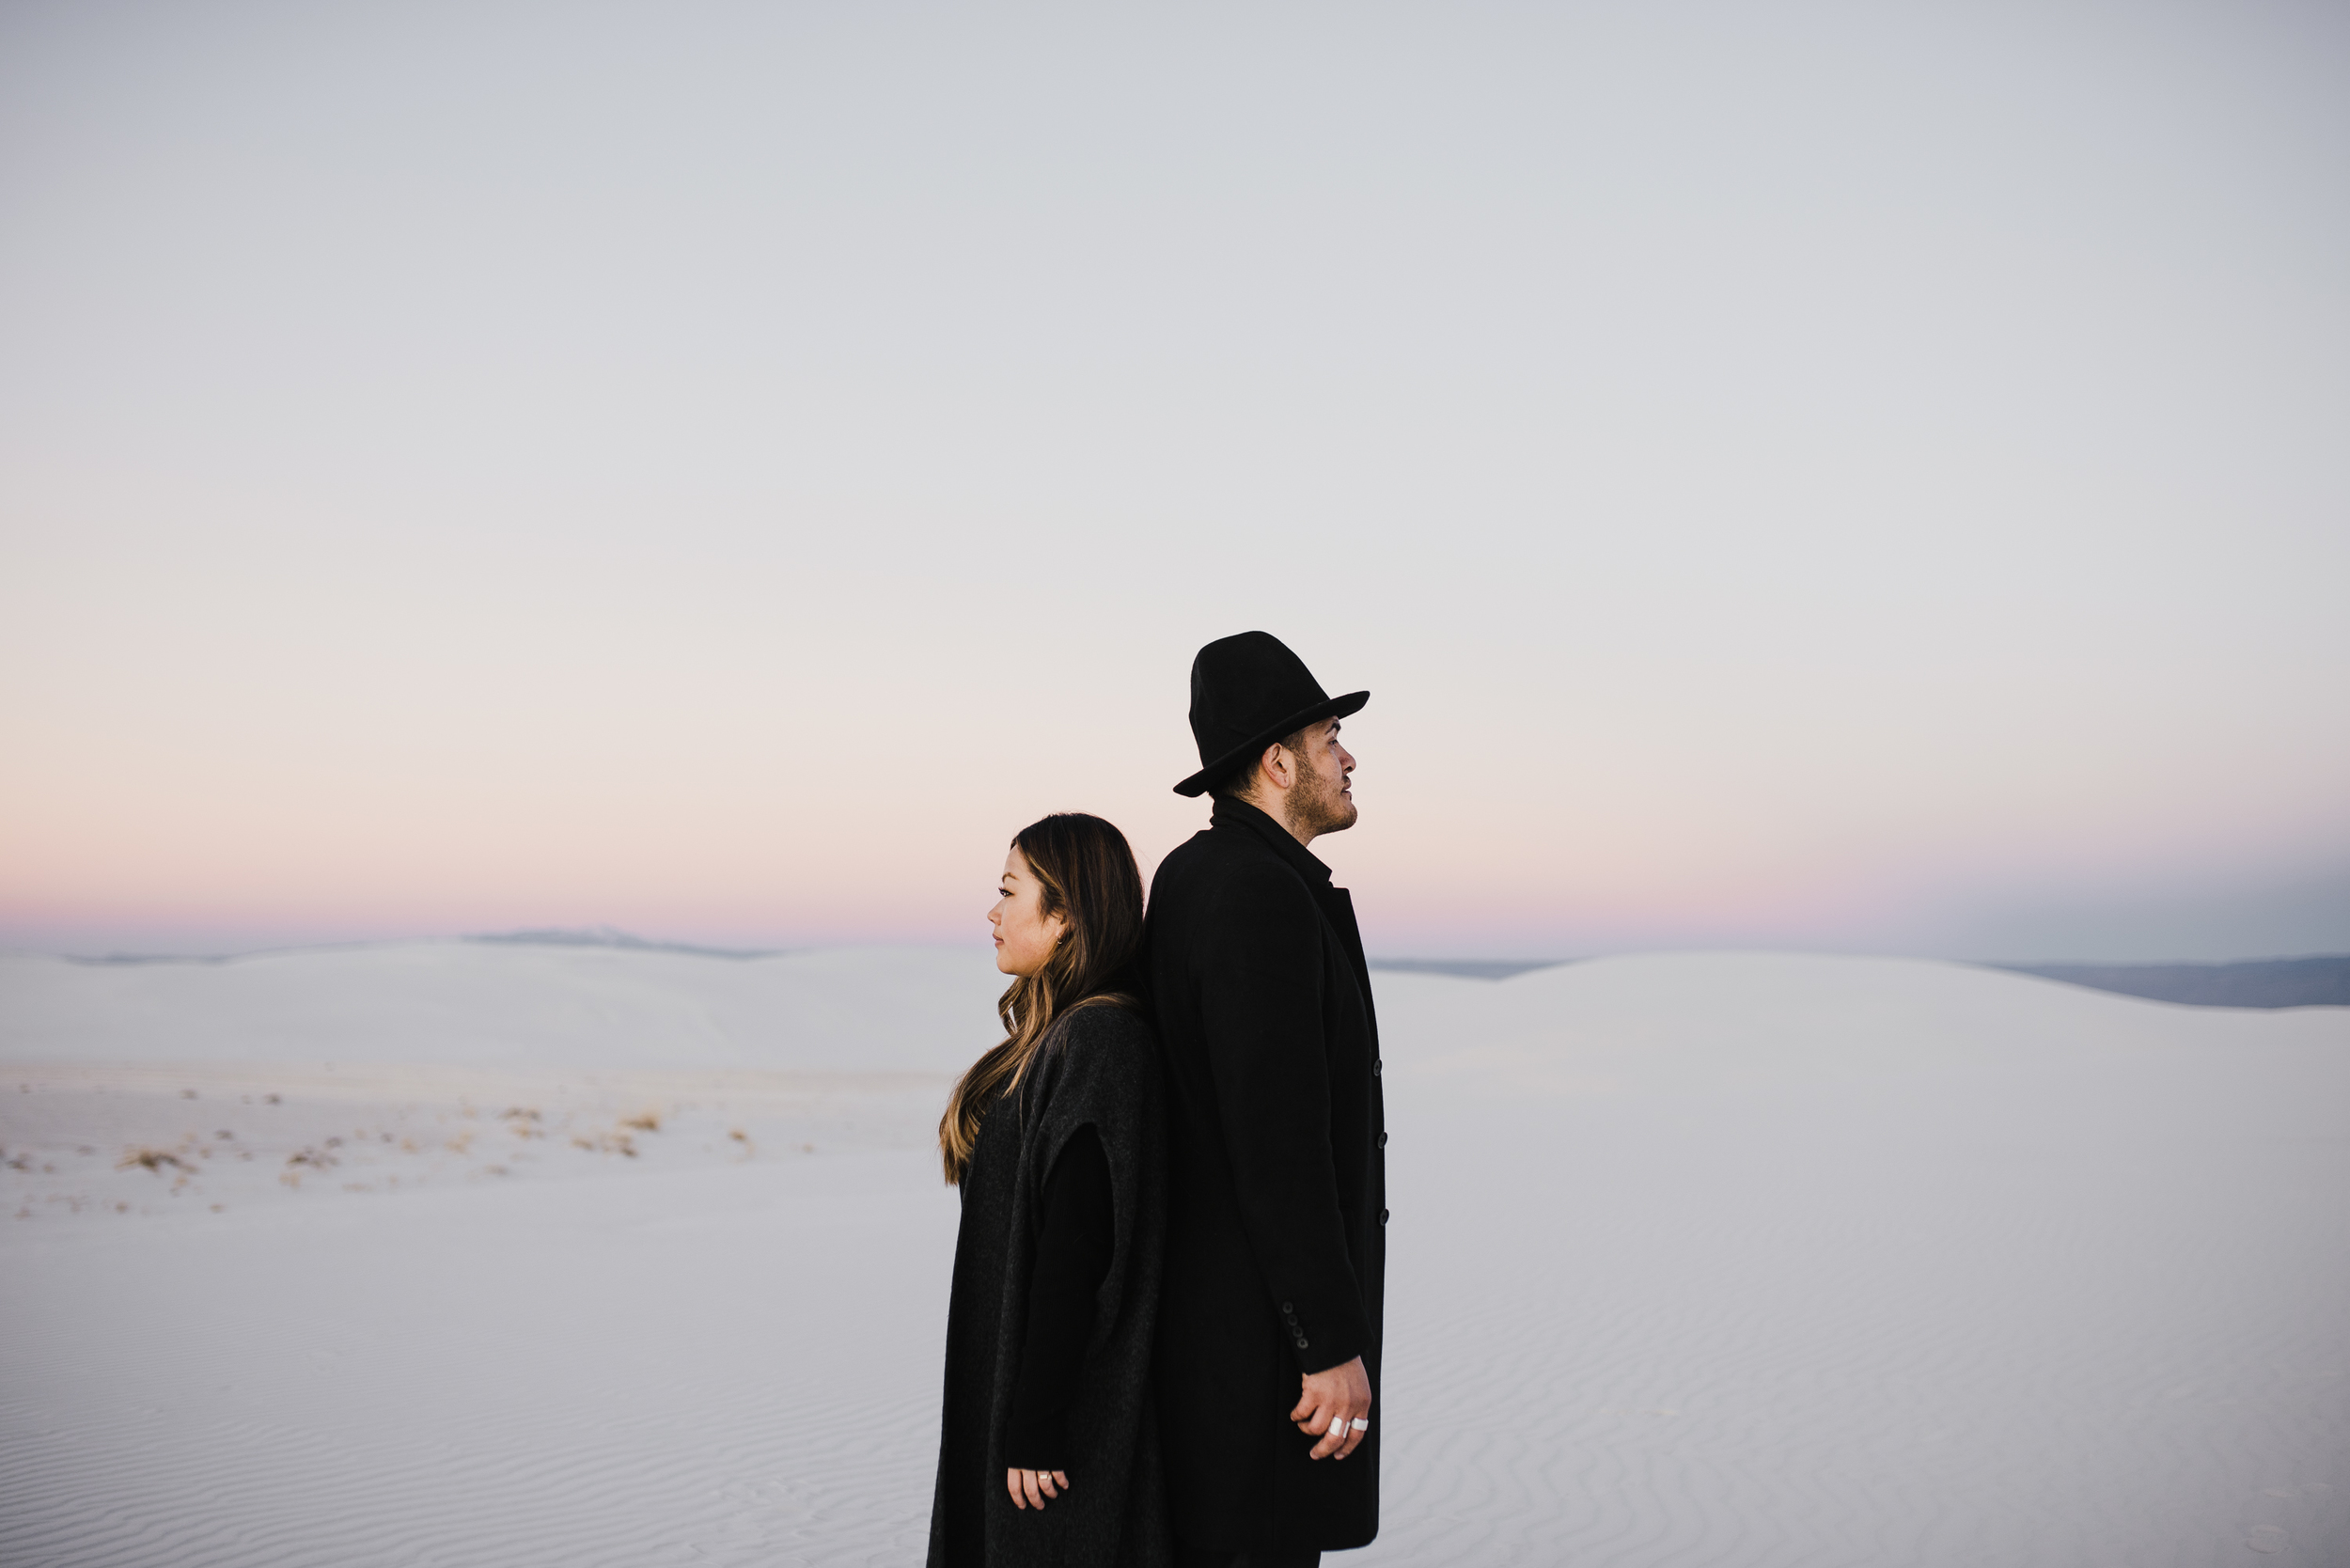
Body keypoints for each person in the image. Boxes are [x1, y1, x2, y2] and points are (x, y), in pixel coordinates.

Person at [1144, 632, 1387, 1567]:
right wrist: (1323, 1340)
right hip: (1256, 1356)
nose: (1349, 755)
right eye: (1331, 738)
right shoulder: (1256, 895)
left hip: (1219, 1335)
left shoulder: (1199, 876)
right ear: (1278, 761)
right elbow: (1274, 1140)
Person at [929, 812, 1172, 1568]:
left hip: (1060, 1430)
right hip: (1011, 1388)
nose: (993, 913)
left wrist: (1036, 1422)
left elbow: (1078, 1250)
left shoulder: (1099, 1041)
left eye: (1010, 892)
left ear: (1065, 916)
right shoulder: (1053, 1038)